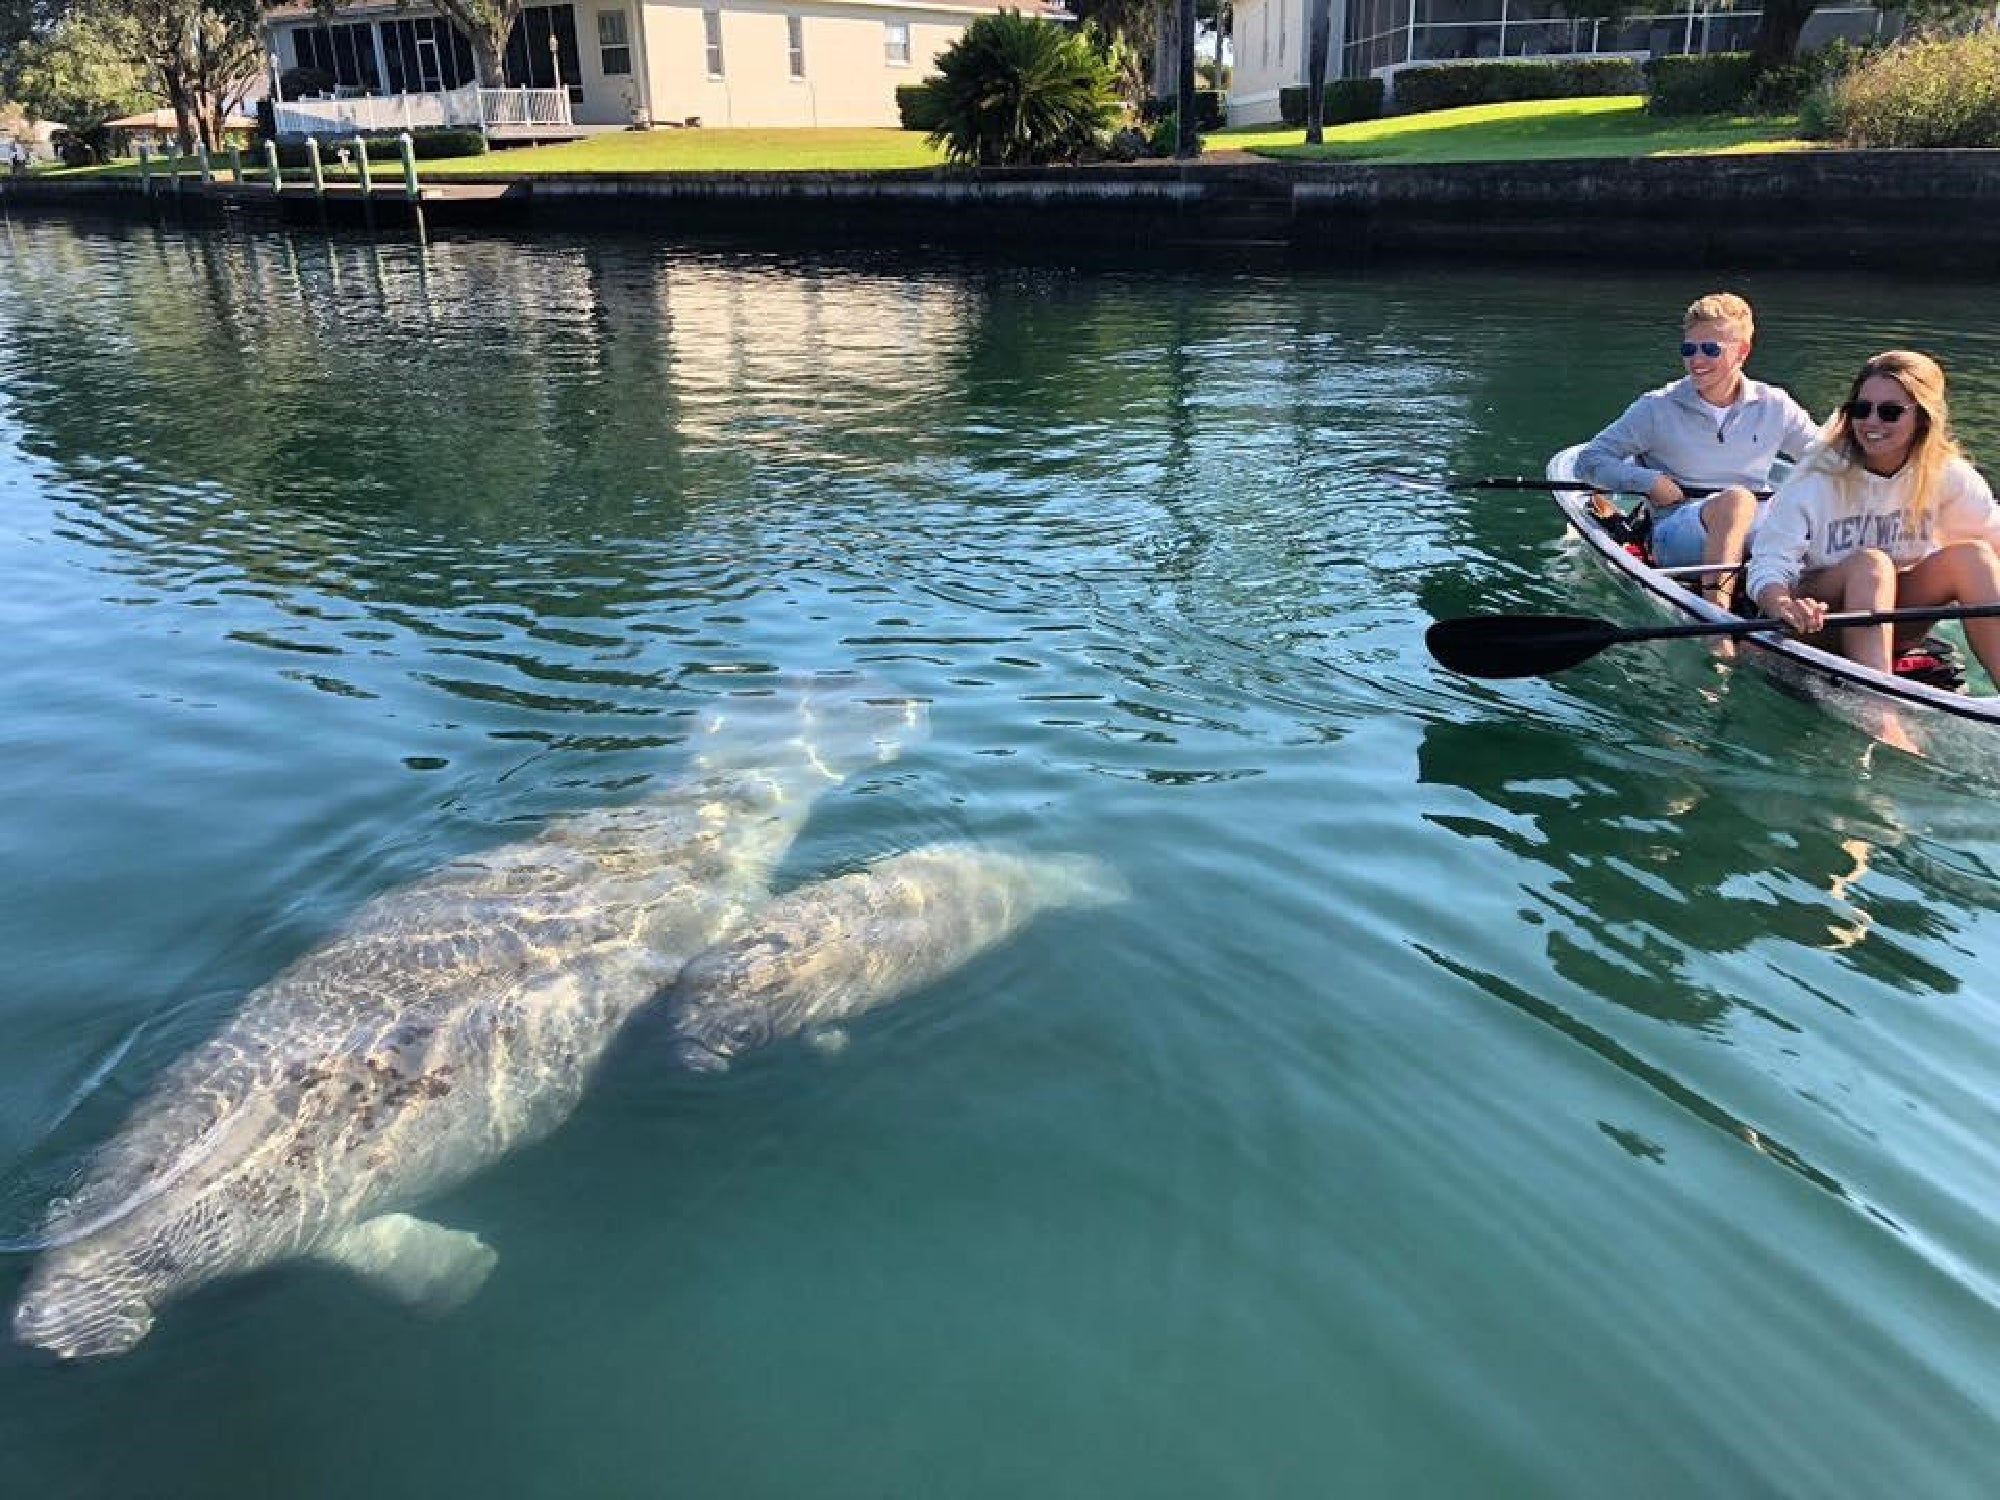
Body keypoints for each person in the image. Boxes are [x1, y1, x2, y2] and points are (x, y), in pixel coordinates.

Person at [1749, 348, 2000, 685]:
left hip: (1895, 618)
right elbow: (1768, 561)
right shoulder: (1818, 473)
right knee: (1871, 564)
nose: (1871, 423)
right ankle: (1880, 708)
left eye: (1890, 412)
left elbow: (1993, 536)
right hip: (1819, 620)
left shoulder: (1947, 473)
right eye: (1861, 409)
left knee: (1975, 557)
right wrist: (1781, 604)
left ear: (1923, 418)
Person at [1576, 292, 1820, 613]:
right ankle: (1715, 620)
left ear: (1742, 352)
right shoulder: (1656, 408)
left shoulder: (1775, 405)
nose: (1696, 360)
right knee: (1737, 500)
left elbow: (1825, 460)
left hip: (1759, 533)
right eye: (1689, 349)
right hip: (1676, 534)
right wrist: (1649, 482)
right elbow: (1589, 462)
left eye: (1710, 349)